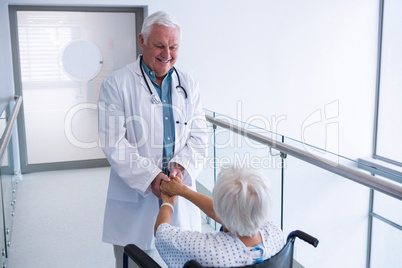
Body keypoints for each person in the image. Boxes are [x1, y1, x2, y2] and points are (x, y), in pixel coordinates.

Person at [98, 11, 208, 268]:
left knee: (184, 260)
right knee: (138, 261)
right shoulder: (116, 84)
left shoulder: (188, 83)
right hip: (136, 199)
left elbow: (200, 135)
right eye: (159, 45)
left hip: (179, 196)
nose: (167, 54)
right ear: (142, 40)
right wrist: (151, 178)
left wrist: (181, 168)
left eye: (174, 46)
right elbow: (115, 143)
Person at [155, 165, 285, 267]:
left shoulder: (205, 249)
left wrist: (168, 201)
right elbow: (233, 213)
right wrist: (182, 190)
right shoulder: (276, 235)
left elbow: (161, 232)